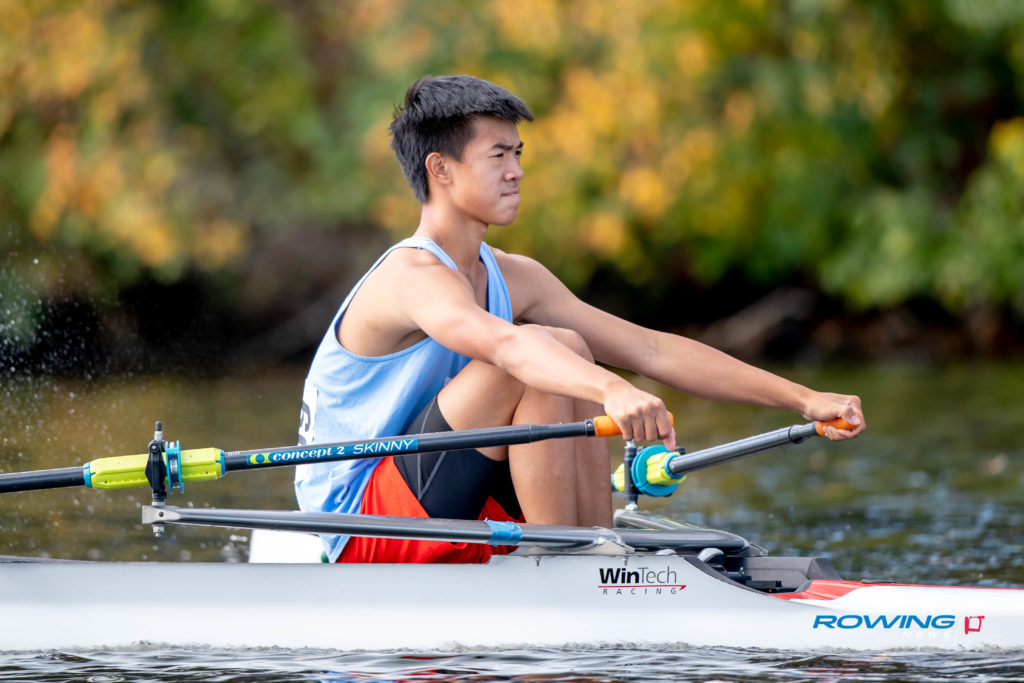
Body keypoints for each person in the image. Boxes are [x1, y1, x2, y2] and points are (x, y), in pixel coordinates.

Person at [294, 75, 865, 564]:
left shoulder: (515, 276)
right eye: (498, 155)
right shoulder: (411, 276)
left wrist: (803, 399)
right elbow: (510, 350)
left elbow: (650, 350)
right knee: (538, 353)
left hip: (444, 497)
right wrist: (612, 391)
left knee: (564, 343)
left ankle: (593, 551)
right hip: (363, 525)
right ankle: (570, 564)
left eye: (519, 154)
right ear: (440, 168)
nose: (517, 172)